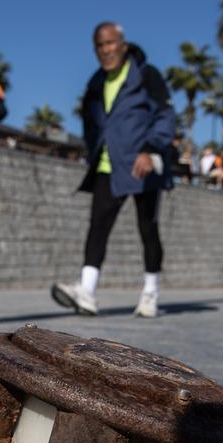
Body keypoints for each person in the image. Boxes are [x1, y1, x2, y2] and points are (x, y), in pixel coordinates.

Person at [51, 21, 176, 318]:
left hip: (143, 164)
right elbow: (91, 123)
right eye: (100, 45)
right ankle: (88, 292)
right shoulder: (95, 84)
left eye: (110, 43)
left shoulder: (146, 75)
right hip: (108, 165)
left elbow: (166, 115)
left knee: (148, 229)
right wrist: (93, 149)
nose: (106, 50)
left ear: (123, 44)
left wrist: (151, 149)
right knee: (97, 227)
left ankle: (150, 294)